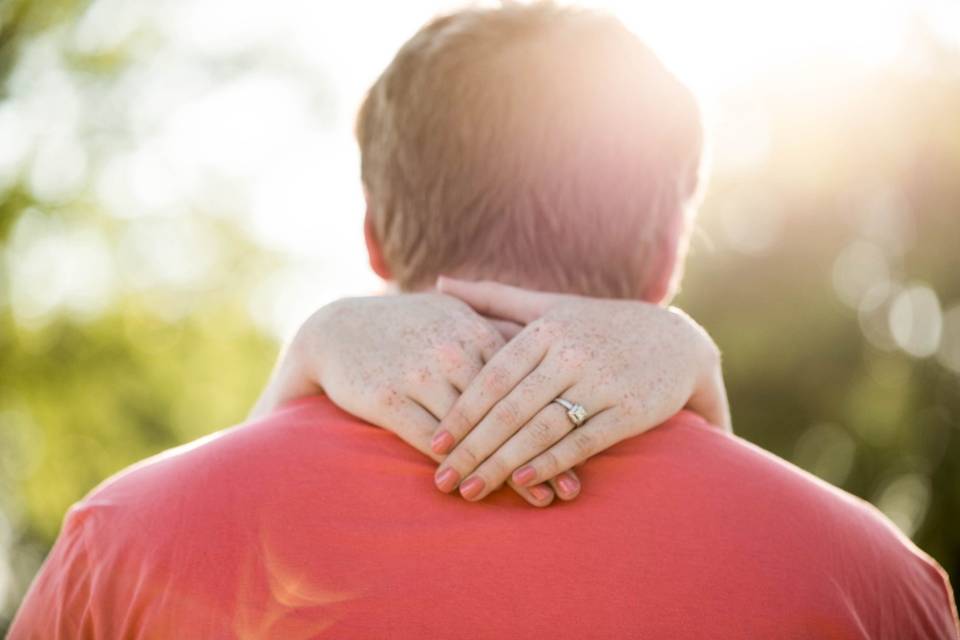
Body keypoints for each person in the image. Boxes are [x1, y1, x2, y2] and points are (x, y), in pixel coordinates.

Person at [10, 3, 958, 638]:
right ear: (670, 252)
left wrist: (293, 376)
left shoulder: (121, 542)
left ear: (376, 233)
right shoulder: (873, 582)